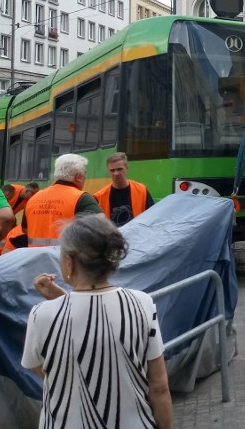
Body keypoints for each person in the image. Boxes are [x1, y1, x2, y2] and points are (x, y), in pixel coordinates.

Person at [22, 214, 173, 428]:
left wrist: (60, 302)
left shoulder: (41, 314)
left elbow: (47, 369)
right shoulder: (142, 304)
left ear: (69, 262)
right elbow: (159, 388)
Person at [25, 153, 103, 247]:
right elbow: (101, 227)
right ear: (78, 177)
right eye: (84, 174)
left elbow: (25, 229)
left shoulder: (33, 198)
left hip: (35, 259)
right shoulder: (82, 198)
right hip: (64, 259)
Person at [93, 152, 154, 227]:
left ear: (126, 168)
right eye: (112, 170)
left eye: (119, 169)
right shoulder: (99, 197)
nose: (116, 173)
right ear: (108, 171)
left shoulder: (141, 191)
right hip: (111, 237)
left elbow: (152, 217)